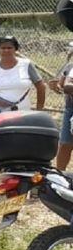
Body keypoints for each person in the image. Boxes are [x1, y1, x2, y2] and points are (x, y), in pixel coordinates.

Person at [0, 36, 46, 118]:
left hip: (22, 114)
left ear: (15, 49)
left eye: (9, 48)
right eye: (3, 48)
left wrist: (39, 110)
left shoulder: (26, 65)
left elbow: (41, 87)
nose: (6, 50)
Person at [55, 42, 73, 170]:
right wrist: (57, 87)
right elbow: (64, 86)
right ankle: (60, 174)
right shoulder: (70, 67)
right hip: (71, 108)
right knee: (65, 144)